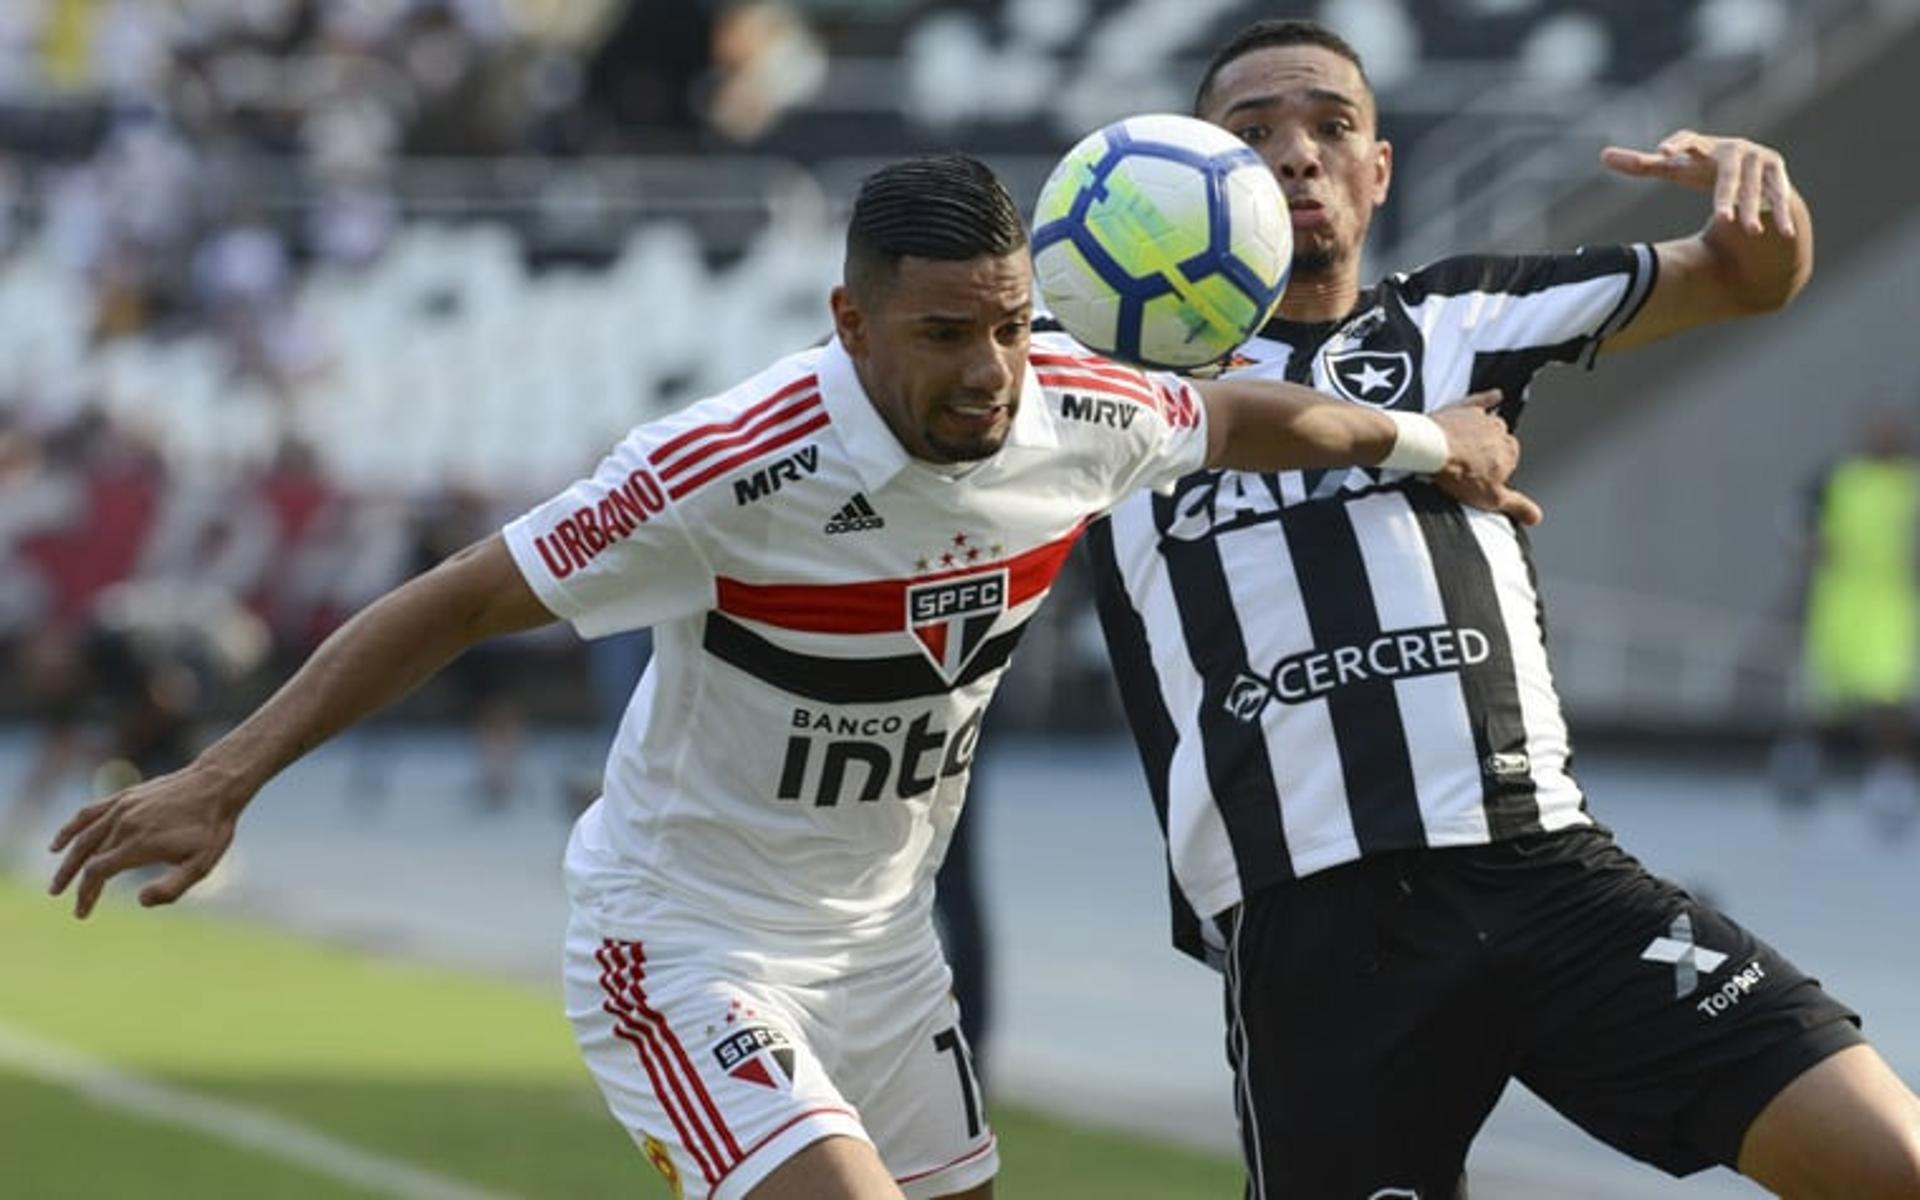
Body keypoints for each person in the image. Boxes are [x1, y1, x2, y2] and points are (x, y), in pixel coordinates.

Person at [47, 154, 1531, 1200]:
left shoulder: (1076, 410)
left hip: (888, 954)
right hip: (686, 948)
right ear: (851, 323)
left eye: (1012, 327)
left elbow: (1249, 417)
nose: (991, 373)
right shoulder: (730, 470)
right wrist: (224, 776)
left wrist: (1425, 444)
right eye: (946, 335)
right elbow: (458, 599)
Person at [1084, 18, 1920, 1200]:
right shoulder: (1100, 385)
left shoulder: (1463, 316)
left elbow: (1747, 279)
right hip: (1318, 932)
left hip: (1545, 874)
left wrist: (1762, 207)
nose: (1297, 156)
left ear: (1378, 172)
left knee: (1892, 1157)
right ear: (1195, 177)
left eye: (1331, 128)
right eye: (1252, 132)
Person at [1772, 412, 1920, 832]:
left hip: (1892, 603)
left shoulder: (1911, 482)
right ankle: (1800, 761)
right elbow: (1794, 516)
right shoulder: (1839, 476)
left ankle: (1890, 780)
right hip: (1837, 601)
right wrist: (1811, 542)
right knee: (1819, 693)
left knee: (1890, 693)